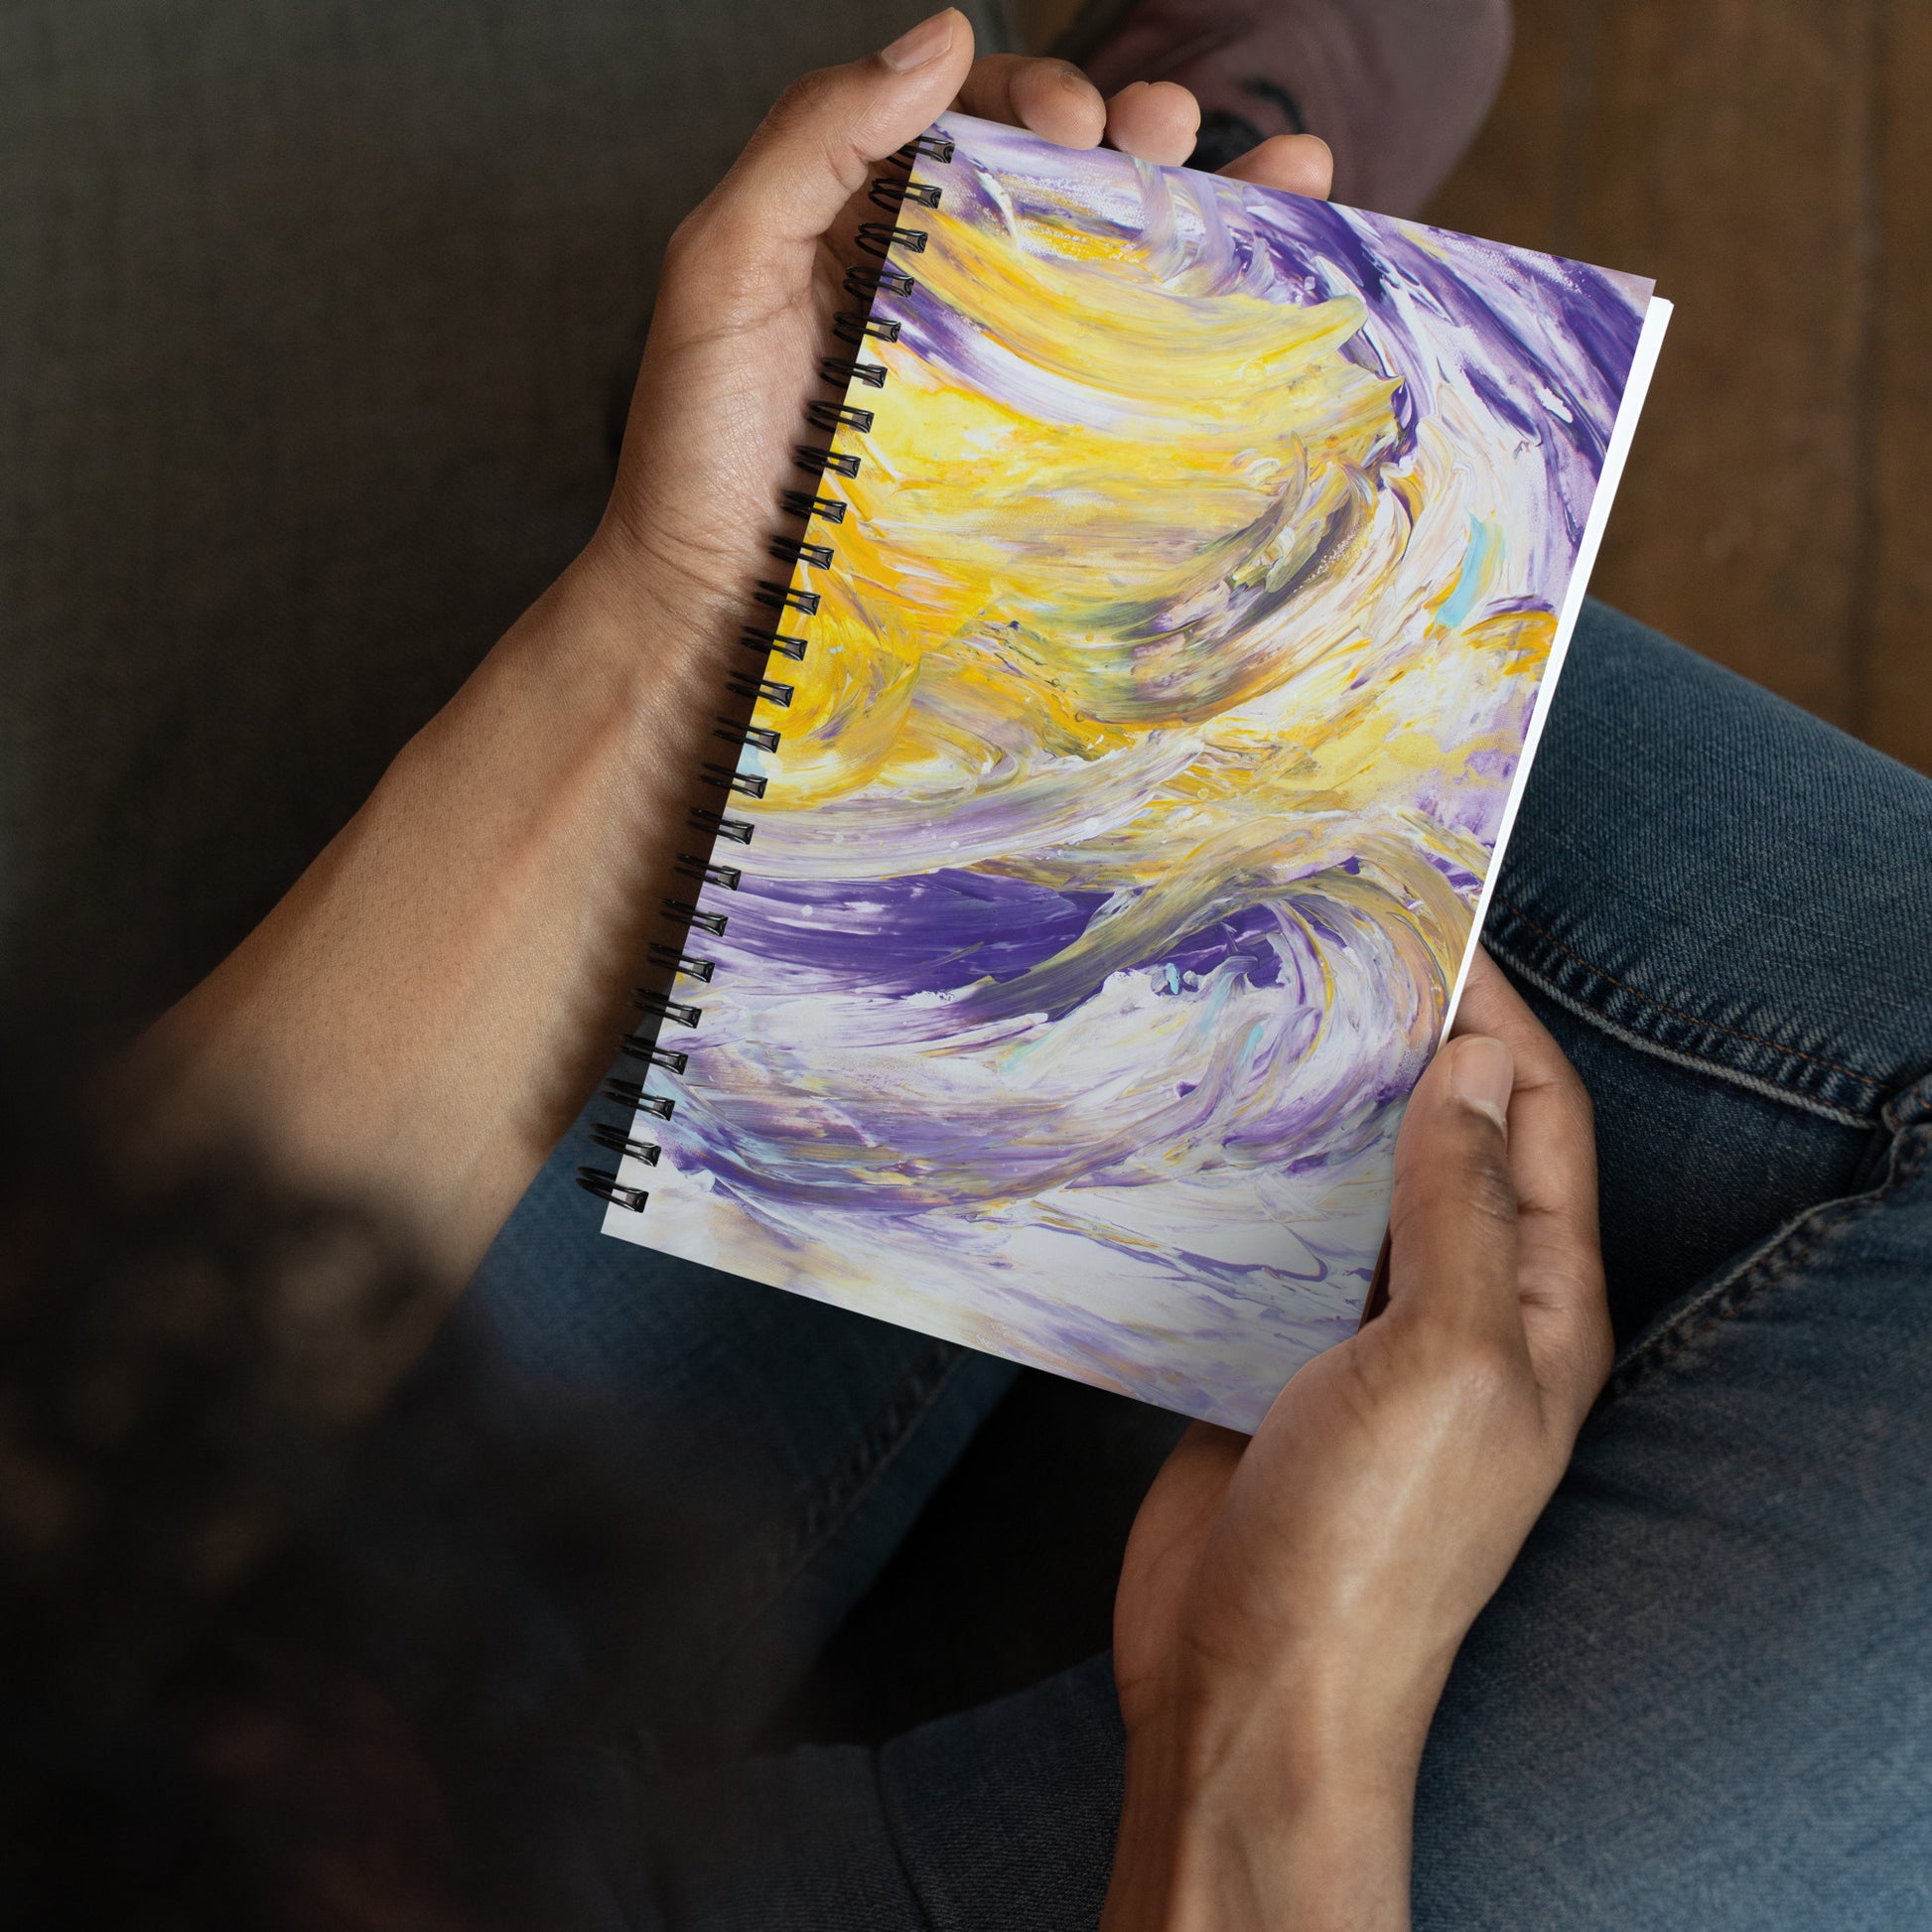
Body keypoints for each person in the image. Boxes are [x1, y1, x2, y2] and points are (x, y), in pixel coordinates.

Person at [4, 10, 1930, 1928]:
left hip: (200, 1713)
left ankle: (1015, 418)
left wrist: (672, 620)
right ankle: (1160, 335)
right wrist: (1269, 1736)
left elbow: (63, 1459)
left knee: (958, 728)